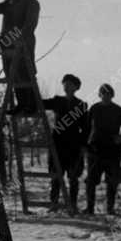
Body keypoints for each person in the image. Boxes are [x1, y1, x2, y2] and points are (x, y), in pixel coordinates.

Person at [42, 74, 89, 213]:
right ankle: (54, 203)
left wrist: (82, 145)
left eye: (70, 84)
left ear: (76, 87)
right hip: (57, 144)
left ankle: (72, 205)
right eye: (65, 83)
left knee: (73, 177)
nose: (67, 86)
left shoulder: (81, 105)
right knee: (56, 175)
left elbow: (85, 128)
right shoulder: (57, 101)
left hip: (73, 146)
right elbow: (42, 103)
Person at [84, 83, 121, 215]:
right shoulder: (94, 109)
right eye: (103, 93)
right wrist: (86, 145)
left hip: (112, 151)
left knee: (112, 181)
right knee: (91, 181)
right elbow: (86, 129)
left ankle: (110, 208)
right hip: (95, 150)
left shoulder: (119, 110)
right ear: (99, 95)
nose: (106, 96)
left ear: (112, 95)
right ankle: (89, 208)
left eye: (108, 94)